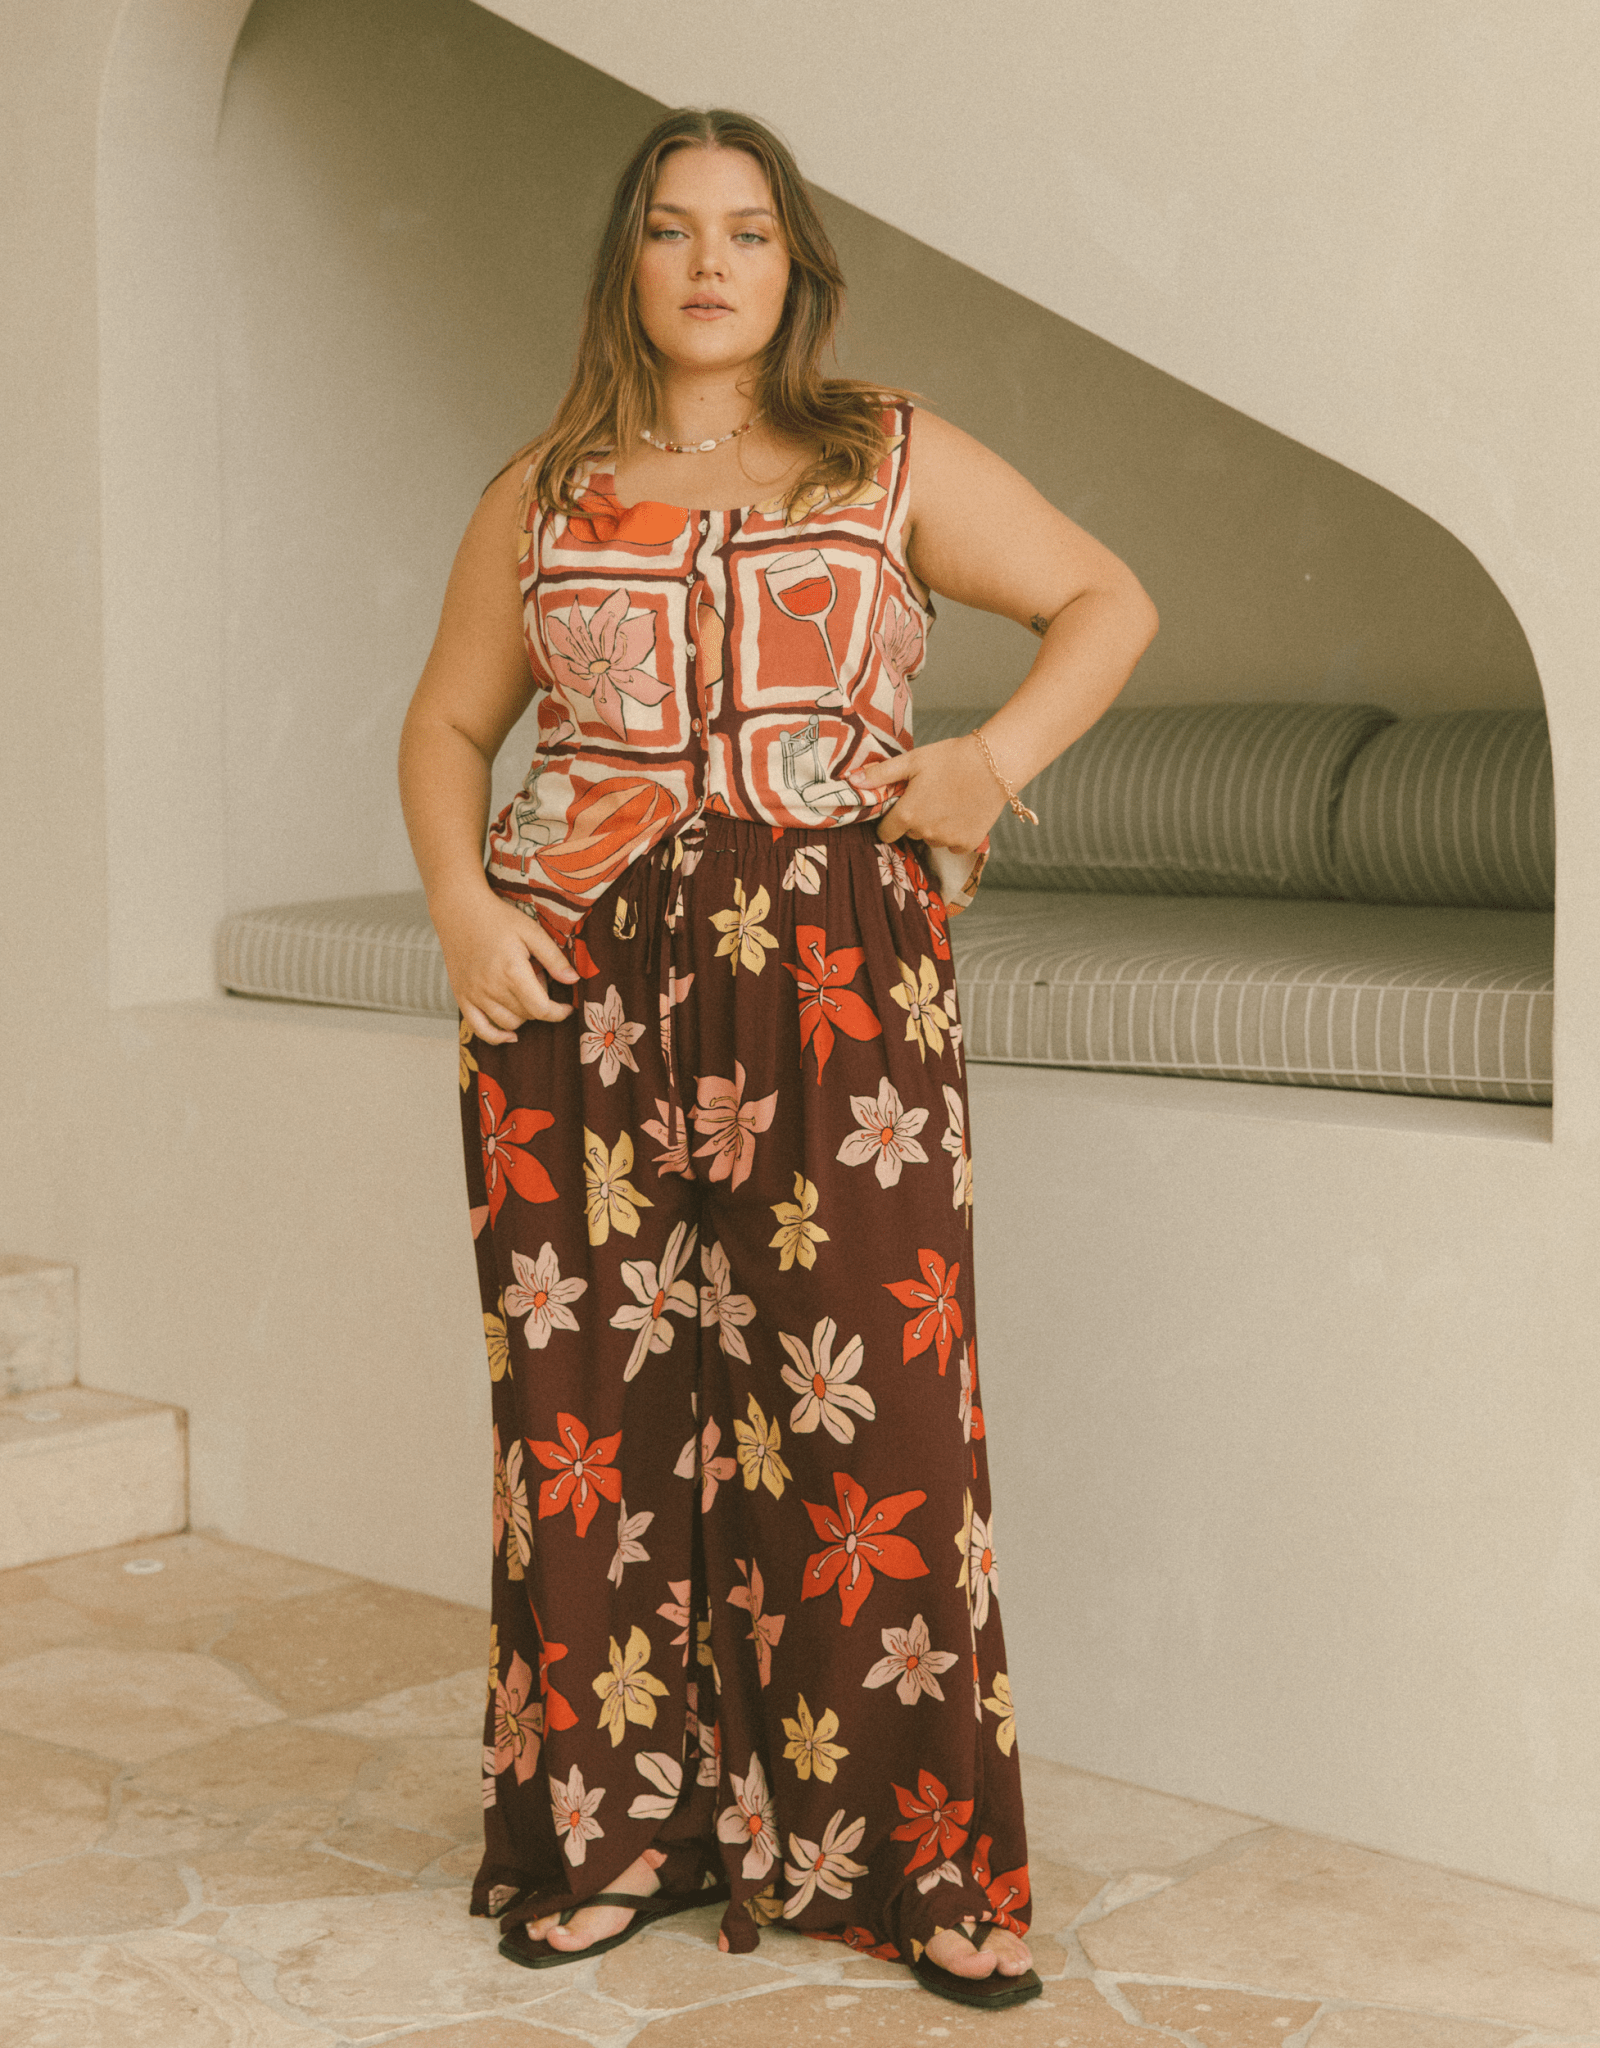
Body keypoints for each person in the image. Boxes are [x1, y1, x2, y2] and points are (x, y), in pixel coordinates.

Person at [398, 105, 1156, 2014]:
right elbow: (450, 724)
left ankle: (916, 1866)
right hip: (572, 994)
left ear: (795, 266)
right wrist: (462, 911)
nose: (709, 262)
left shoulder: (881, 451)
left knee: (870, 1424)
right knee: (588, 1427)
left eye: (745, 230)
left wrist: (986, 764)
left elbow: (1106, 601)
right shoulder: (542, 488)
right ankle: (610, 1838)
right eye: (671, 228)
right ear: (628, 262)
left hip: (833, 988)